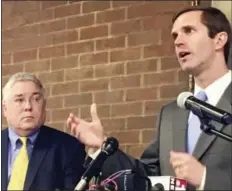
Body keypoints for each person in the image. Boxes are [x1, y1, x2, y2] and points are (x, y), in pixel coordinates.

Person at [67, 6, 232, 190]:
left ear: (219, 40)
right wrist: (103, 147)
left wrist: (205, 178)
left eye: (188, 31)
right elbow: (148, 177)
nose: (178, 41)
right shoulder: (171, 113)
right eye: (175, 35)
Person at [2, 72, 86, 190]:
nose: (28, 106)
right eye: (20, 100)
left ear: (44, 105)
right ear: (5, 109)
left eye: (36, 99)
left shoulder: (68, 147)